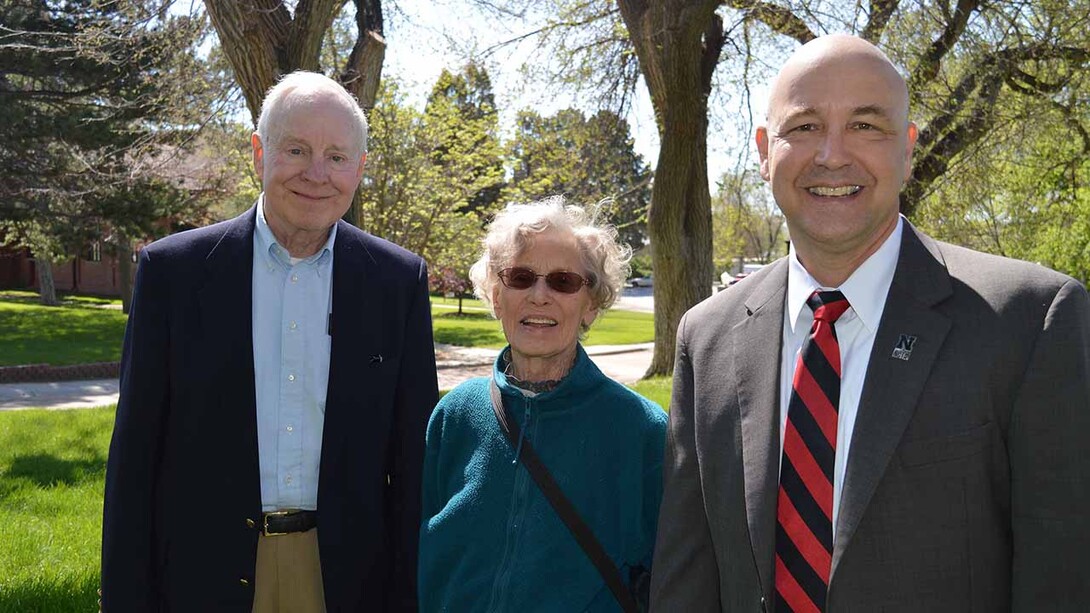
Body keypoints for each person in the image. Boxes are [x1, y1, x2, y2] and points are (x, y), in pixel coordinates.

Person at [651, 34, 1090, 612]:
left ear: (907, 149)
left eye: (866, 125)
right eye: (804, 126)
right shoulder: (705, 336)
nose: (832, 155)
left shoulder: (1028, 320)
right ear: (764, 149)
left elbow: (1060, 578)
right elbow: (687, 577)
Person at [101, 71, 438, 611]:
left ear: (360, 169)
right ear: (258, 153)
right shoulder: (173, 275)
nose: (316, 173)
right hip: (203, 573)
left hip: (347, 578)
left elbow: (413, 465)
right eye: (296, 149)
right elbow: (135, 461)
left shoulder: (398, 282)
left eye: (336, 156)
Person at [418, 197, 667, 612]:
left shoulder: (642, 431)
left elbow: (670, 577)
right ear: (497, 296)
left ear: (591, 304)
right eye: (520, 277)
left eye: (563, 281)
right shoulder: (454, 416)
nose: (539, 296)